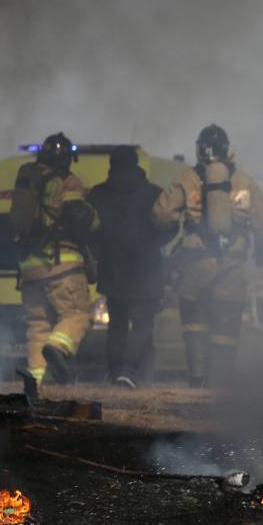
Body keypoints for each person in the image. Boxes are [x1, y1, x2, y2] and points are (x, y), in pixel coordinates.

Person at [151, 124, 263, 387]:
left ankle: (197, 378)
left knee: (194, 320)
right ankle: (220, 382)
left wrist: (171, 228)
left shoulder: (187, 179)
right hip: (232, 264)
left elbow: (161, 215)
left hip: (196, 262)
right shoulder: (244, 182)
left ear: (199, 150)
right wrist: (262, 254)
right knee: (227, 324)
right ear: (227, 150)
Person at [9, 132, 99, 385]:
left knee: (38, 325)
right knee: (78, 314)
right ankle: (58, 348)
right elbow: (77, 215)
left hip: (29, 266)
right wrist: (95, 217)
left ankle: (35, 383)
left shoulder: (28, 179)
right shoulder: (66, 181)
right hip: (62, 262)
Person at [86, 145, 172, 388]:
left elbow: (87, 229)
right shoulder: (154, 193)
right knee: (143, 323)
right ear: (136, 164)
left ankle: (116, 372)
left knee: (117, 325)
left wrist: (100, 250)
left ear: (111, 165)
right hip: (147, 268)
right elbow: (170, 226)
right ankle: (129, 369)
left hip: (112, 269)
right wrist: (154, 244)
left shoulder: (98, 194)